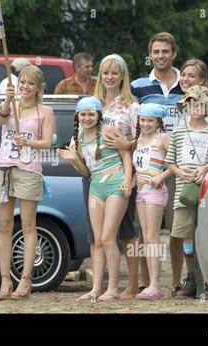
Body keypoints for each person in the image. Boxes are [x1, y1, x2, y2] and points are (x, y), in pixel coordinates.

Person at [58, 97, 132, 300]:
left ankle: (113, 289)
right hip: (96, 186)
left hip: (115, 183)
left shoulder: (108, 130)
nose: (87, 118)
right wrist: (74, 159)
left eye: (91, 114)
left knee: (109, 238)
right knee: (97, 240)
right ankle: (96, 288)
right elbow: (85, 172)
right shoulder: (77, 139)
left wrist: (127, 180)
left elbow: (126, 154)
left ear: (99, 115)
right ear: (77, 116)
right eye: (83, 114)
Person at [0, 65, 55, 300]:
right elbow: (0, 120)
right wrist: (8, 100)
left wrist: (29, 143)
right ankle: (5, 280)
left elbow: (48, 142)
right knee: (5, 225)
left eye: (30, 83)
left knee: (28, 225)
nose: (25, 87)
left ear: (38, 87)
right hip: (4, 167)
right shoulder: (12, 107)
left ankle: (26, 280)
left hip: (28, 170)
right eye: (22, 83)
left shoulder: (45, 111)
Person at [130, 32, 184, 296]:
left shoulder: (187, 84)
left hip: (179, 165)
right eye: (156, 51)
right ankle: (147, 282)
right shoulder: (138, 86)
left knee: (177, 228)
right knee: (145, 231)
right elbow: (133, 124)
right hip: (148, 169)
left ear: (173, 53)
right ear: (149, 54)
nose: (160, 56)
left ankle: (176, 283)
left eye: (165, 51)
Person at [165, 85, 208, 299]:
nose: (195, 107)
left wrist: (206, 168)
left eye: (200, 103)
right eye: (191, 103)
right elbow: (170, 162)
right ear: (185, 106)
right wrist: (180, 172)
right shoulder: (178, 132)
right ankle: (193, 278)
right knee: (186, 236)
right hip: (183, 193)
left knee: (206, 236)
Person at [95, 54, 140, 299]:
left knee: (127, 233)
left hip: (122, 176)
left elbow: (142, 141)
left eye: (115, 73)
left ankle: (132, 285)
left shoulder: (132, 106)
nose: (110, 77)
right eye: (105, 72)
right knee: (99, 236)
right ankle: (98, 287)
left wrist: (127, 143)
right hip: (96, 175)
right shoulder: (94, 104)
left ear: (123, 75)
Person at [132, 103, 172, 300]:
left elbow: (176, 165)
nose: (146, 124)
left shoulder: (162, 138)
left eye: (150, 120)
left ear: (158, 122)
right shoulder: (139, 139)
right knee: (146, 238)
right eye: (143, 120)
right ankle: (149, 284)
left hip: (155, 192)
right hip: (141, 192)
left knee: (153, 237)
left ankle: (155, 285)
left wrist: (160, 177)